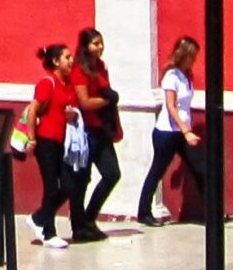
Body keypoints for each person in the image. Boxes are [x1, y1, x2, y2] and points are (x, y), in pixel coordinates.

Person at [137, 34, 206, 225]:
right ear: (183, 55)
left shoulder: (186, 76)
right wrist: (186, 131)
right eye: (191, 56)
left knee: (202, 169)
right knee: (157, 171)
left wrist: (186, 130)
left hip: (183, 132)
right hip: (167, 133)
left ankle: (211, 213)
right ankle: (144, 213)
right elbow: (171, 106)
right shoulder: (171, 76)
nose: (194, 60)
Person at [20, 42, 82, 250]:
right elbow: (33, 110)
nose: (71, 60)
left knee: (69, 185)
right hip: (45, 140)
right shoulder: (48, 83)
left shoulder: (67, 84)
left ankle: (39, 217)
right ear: (56, 62)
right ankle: (48, 232)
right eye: (67, 57)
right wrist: (32, 138)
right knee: (51, 187)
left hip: (61, 143)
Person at [68, 26, 123, 240]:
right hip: (86, 131)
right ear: (86, 46)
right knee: (81, 179)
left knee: (112, 174)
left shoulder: (101, 66)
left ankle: (89, 217)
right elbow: (85, 102)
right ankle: (79, 226)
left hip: (102, 129)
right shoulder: (80, 70)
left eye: (101, 43)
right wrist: (108, 100)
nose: (100, 47)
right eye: (95, 43)